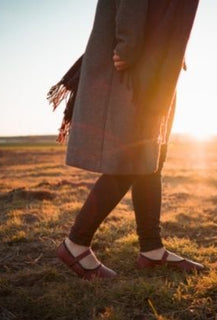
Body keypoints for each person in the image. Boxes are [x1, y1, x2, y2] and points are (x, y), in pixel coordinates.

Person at [50, 0, 203, 280]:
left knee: (152, 158)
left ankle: (152, 249)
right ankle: (76, 243)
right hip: (137, 65)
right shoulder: (132, 54)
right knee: (132, 157)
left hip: (157, 64)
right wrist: (129, 46)